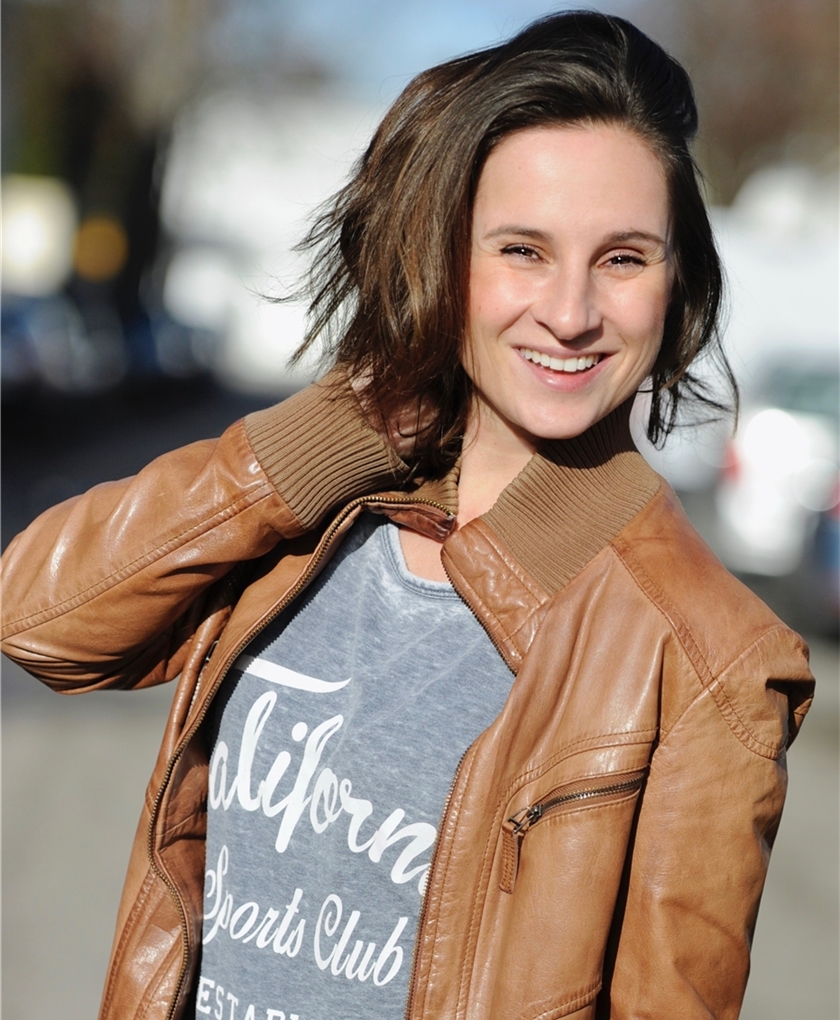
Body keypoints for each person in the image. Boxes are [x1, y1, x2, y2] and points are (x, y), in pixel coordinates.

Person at [1, 11, 815, 1020]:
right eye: (522, 250)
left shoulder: (711, 661)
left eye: (623, 259)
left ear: (677, 280)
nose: (571, 314)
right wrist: (344, 423)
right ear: (445, 257)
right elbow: (40, 623)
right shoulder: (311, 522)